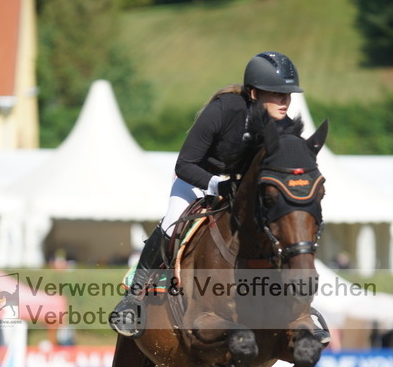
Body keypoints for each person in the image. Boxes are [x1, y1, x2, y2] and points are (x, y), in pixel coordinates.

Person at [110, 51, 330, 345]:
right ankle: (133, 299)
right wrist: (216, 185)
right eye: (276, 94)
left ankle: (298, 307)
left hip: (239, 194)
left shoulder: (282, 125)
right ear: (254, 93)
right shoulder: (224, 110)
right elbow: (184, 164)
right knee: (171, 223)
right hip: (199, 181)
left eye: (288, 95)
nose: (285, 101)